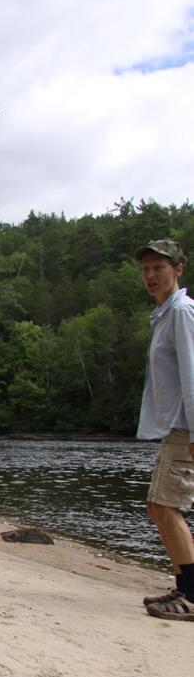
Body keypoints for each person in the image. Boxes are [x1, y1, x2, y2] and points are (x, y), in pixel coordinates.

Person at [134, 240, 194, 620]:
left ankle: (191, 595)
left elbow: (192, 375)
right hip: (174, 427)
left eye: (159, 267)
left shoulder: (182, 313)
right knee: (159, 507)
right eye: (146, 270)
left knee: (164, 506)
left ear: (179, 269)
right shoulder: (164, 314)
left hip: (184, 428)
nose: (151, 275)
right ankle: (183, 585)